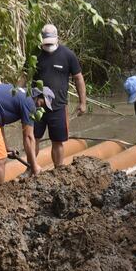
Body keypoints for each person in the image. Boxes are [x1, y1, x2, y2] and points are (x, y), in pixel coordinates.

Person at [31, 24, 87, 167]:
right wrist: (17, 94)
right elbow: (25, 75)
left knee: (57, 141)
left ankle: (58, 169)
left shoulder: (67, 55)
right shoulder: (35, 54)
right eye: (46, 42)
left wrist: (82, 102)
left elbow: (78, 78)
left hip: (58, 106)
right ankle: (31, 168)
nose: (48, 45)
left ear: (57, 39)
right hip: (37, 105)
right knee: (33, 138)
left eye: (51, 42)